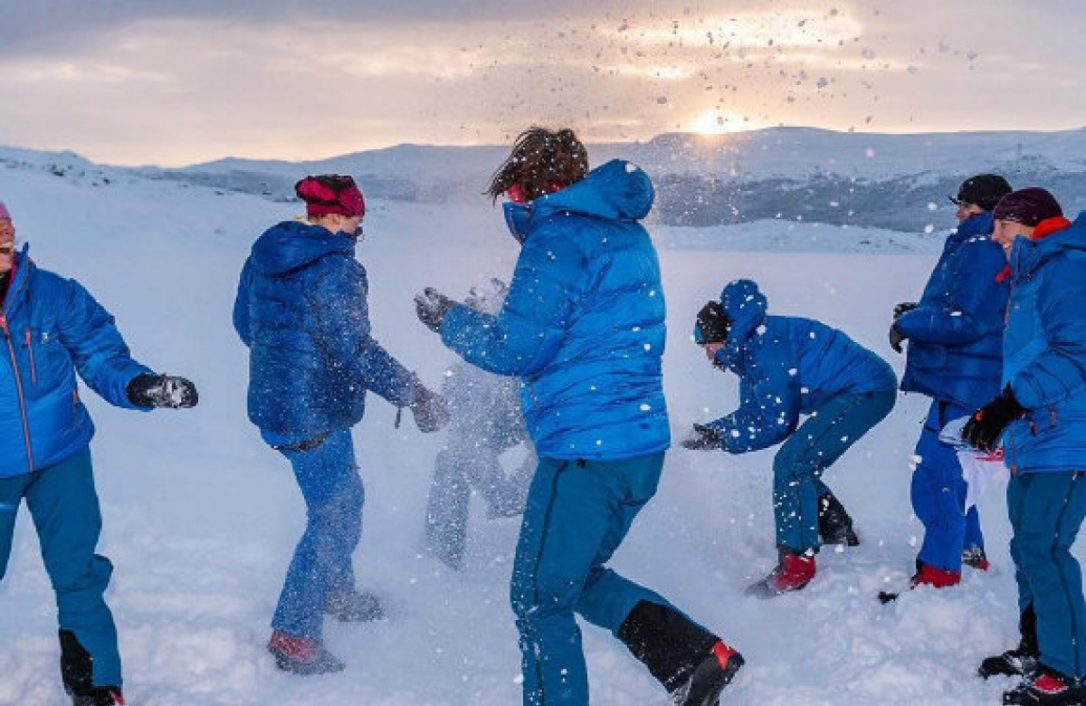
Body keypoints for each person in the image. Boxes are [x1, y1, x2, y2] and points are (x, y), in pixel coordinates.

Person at [414, 127, 743, 706]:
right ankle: (694, 656)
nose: (512, 209)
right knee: (573, 578)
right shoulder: (625, 233)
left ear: (527, 187)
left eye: (512, 195)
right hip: (636, 448)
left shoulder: (557, 238)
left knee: (538, 598)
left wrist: (451, 321)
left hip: (583, 454)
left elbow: (517, 350)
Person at [233, 175, 448, 676]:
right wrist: (413, 393)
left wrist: (284, 365)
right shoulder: (335, 269)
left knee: (342, 498)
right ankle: (294, 633)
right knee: (333, 513)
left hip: (277, 402)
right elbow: (355, 349)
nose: (359, 228)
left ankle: (335, 591)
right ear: (332, 217)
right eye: (356, 219)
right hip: (313, 410)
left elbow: (247, 326)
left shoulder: (266, 254)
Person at [0, 200, 198, 706]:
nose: (5, 239)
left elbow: (99, 353)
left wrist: (140, 386)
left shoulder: (53, 294)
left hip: (60, 456)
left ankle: (95, 685)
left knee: (78, 573)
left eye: (6, 228)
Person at [683, 279, 897, 598]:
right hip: (860, 388)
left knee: (793, 462)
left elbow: (777, 423)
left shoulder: (763, 349)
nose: (708, 354)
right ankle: (836, 528)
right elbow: (754, 413)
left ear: (724, 335)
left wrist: (719, 438)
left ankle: (796, 566)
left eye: (708, 344)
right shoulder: (751, 347)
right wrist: (712, 433)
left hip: (866, 390)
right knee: (801, 458)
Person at [962, 188, 1086, 706]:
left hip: (1070, 437)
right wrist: (998, 414)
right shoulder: (1031, 275)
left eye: (1003, 228)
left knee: (1046, 546)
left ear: (1033, 225)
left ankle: (1069, 670)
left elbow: (1078, 351)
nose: (995, 239)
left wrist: (1011, 403)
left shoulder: (1066, 267)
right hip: (1036, 434)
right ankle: (1039, 645)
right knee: (1025, 544)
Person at [885, 174, 1012, 594]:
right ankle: (968, 553)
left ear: (987, 209)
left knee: (934, 478)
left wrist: (910, 322)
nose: (958, 213)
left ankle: (939, 574)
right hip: (970, 381)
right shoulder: (982, 246)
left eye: (966, 206)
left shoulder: (982, 249)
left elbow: (968, 321)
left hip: (967, 384)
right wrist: (922, 312)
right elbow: (966, 308)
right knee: (956, 473)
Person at [424, 278, 536, 570]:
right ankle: (441, 553)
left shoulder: (526, 346)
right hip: (495, 424)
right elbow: (465, 436)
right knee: (451, 459)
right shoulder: (466, 371)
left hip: (540, 424)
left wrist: (513, 493)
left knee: (555, 458)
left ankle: (550, 558)